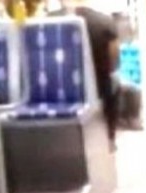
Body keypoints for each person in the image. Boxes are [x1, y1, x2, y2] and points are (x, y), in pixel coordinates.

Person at [52, 2, 120, 151]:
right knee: (114, 84)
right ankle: (110, 138)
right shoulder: (105, 22)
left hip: (59, 86)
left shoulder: (50, 20)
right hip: (98, 86)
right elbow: (114, 62)